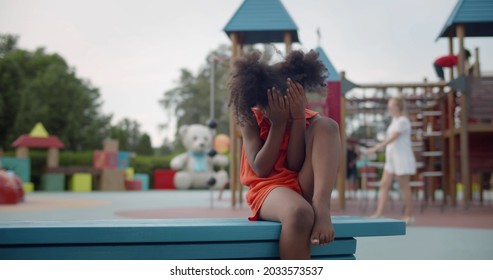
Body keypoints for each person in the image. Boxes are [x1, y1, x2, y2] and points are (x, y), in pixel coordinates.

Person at [228, 50, 341, 259]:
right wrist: (277, 124)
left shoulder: (301, 115)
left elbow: (295, 163)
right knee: (300, 214)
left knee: (327, 126)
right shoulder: (251, 119)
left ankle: (322, 206)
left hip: (301, 182)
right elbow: (260, 169)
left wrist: (297, 118)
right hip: (268, 189)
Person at [365, 96, 416, 225]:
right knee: (384, 184)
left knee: (404, 186)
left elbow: (392, 139)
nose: (389, 108)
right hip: (392, 158)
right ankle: (379, 213)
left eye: (391, 106)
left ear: (398, 107)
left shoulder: (403, 121)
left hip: (402, 158)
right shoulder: (395, 120)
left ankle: (409, 215)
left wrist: (375, 148)